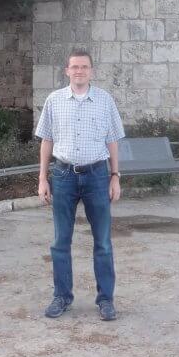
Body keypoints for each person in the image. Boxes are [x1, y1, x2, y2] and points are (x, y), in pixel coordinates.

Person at [35, 48, 125, 321]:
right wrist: (42, 178)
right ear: (67, 71)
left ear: (91, 71)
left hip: (97, 176)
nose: (79, 71)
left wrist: (115, 176)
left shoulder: (105, 101)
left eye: (84, 67)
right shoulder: (54, 101)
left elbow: (112, 140)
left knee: (103, 243)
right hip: (63, 177)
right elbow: (46, 141)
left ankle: (106, 300)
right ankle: (62, 297)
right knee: (60, 241)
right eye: (74, 67)